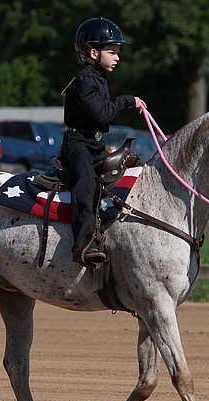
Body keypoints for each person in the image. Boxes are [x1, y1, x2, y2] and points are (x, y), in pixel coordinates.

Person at [62, 17, 146, 266]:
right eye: (112, 51)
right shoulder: (84, 81)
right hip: (77, 145)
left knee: (127, 167)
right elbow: (102, 114)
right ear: (93, 52)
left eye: (118, 52)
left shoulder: (98, 78)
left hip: (94, 144)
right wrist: (127, 100)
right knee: (86, 181)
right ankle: (84, 244)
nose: (117, 57)